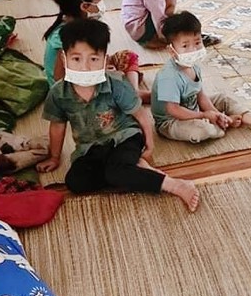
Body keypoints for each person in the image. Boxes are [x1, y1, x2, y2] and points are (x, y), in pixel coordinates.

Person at [36, 18, 199, 212]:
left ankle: (174, 184)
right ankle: (133, 168)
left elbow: (140, 114)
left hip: (125, 137)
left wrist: (149, 144)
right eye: (76, 59)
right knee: (76, 182)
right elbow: (57, 125)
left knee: (115, 172)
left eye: (93, 59)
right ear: (64, 59)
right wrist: (54, 157)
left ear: (105, 60)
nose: (85, 67)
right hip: (90, 147)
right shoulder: (58, 93)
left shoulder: (116, 83)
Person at [151, 11, 251, 143]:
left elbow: (201, 96)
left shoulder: (193, 66)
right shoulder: (168, 76)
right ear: (172, 50)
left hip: (193, 107)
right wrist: (203, 115)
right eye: (185, 46)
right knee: (202, 130)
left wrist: (218, 115)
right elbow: (173, 110)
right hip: (172, 122)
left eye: (197, 42)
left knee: (223, 99)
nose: (193, 50)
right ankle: (220, 126)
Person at [42, 0, 148, 102]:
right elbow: (61, 78)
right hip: (73, 90)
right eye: (98, 2)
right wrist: (104, 73)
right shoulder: (65, 38)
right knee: (114, 80)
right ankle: (131, 96)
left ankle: (133, 92)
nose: (101, 5)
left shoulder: (78, 26)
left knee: (127, 56)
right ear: (84, 6)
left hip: (86, 72)